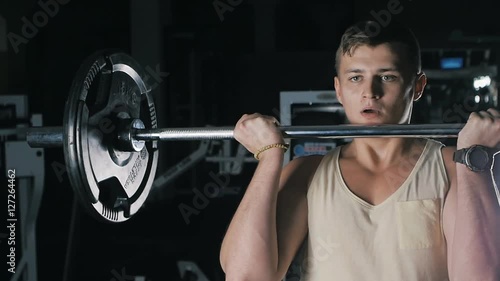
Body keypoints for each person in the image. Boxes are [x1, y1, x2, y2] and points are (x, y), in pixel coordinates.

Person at [219, 20, 500, 281]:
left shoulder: (453, 168)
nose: (370, 92)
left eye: (387, 77)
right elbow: (246, 276)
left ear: (417, 86)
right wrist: (269, 157)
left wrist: (474, 159)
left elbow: (480, 277)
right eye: (356, 78)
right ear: (338, 89)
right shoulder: (307, 174)